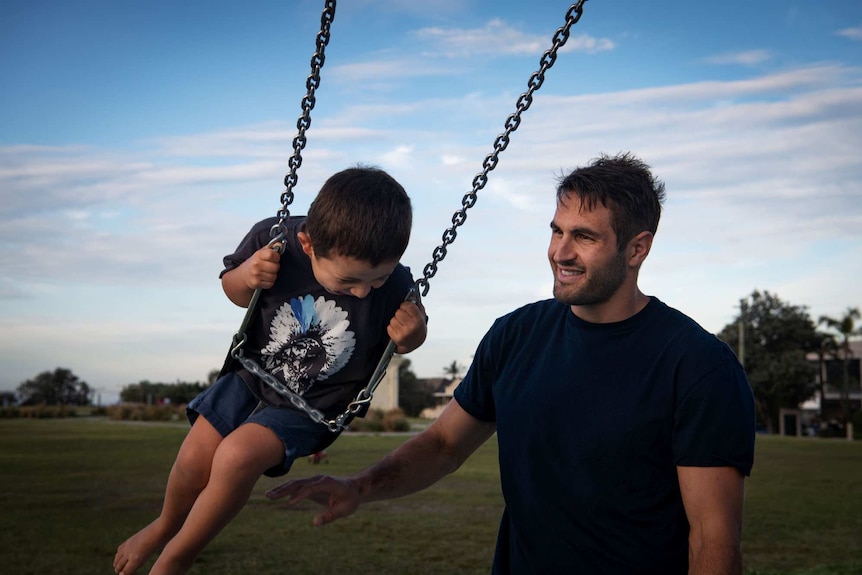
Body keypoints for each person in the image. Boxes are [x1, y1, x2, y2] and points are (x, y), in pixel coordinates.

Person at [266, 153, 756, 574]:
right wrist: (360, 486)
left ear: (637, 248)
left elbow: (712, 540)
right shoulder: (516, 335)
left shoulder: (697, 366)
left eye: (583, 237)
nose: (559, 252)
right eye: (556, 231)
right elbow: (443, 445)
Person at [113, 166, 427, 575]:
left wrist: (412, 335)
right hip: (251, 374)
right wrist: (245, 277)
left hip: (315, 403)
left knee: (236, 456)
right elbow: (233, 289)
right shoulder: (274, 240)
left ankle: (177, 558)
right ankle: (164, 526)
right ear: (308, 243)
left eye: (379, 278)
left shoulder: (398, 286)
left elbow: (406, 338)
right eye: (349, 281)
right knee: (195, 454)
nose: (365, 291)